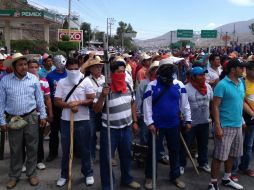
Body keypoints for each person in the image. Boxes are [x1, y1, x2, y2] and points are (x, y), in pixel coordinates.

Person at [0, 53, 47, 189]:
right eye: (20, 65)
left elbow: (39, 99)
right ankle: (14, 176)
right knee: (16, 149)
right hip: (14, 119)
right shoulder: (5, 80)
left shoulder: (33, 79)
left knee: (32, 147)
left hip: (31, 117)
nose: (24, 67)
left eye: (25, 64)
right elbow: (1, 102)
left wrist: (43, 116)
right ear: (14, 67)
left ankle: (31, 174)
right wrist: (2, 121)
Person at [143, 58, 191, 189]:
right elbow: (146, 106)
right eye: (166, 69)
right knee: (153, 152)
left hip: (174, 125)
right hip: (156, 126)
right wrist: (150, 123)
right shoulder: (152, 85)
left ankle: (175, 176)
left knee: (174, 151)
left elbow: (185, 104)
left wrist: (188, 120)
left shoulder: (179, 85)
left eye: (171, 69)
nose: (169, 72)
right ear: (160, 71)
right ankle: (149, 177)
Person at [93, 57, 141, 190]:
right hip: (110, 130)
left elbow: (132, 104)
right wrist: (103, 95)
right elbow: (96, 110)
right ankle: (108, 185)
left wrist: (135, 121)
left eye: (124, 71)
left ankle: (127, 178)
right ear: (112, 73)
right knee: (107, 159)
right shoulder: (104, 88)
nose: (122, 74)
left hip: (126, 128)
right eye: (119, 72)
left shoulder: (128, 85)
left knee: (126, 156)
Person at [208, 59, 254, 190]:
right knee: (219, 156)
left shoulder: (240, 83)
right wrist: (217, 126)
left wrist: (251, 114)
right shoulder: (222, 85)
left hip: (238, 125)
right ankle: (213, 183)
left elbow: (242, 102)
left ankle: (226, 178)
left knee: (233, 154)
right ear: (233, 69)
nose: (244, 70)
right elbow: (215, 106)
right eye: (241, 67)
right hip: (225, 125)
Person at [54, 58, 95, 187]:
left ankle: (88, 173)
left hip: (83, 120)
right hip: (66, 121)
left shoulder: (86, 81)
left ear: (79, 68)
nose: (73, 71)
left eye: (75, 69)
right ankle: (64, 175)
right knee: (66, 150)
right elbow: (57, 101)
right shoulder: (62, 82)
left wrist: (80, 102)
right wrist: (68, 105)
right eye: (70, 69)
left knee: (85, 149)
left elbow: (91, 99)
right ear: (66, 69)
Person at [180, 67, 213, 174]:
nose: (203, 77)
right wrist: (184, 120)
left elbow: (212, 103)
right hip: (190, 124)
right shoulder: (185, 88)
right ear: (193, 77)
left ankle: (203, 163)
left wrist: (211, 117)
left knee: (203, 145)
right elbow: (181, 106)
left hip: (204, 122)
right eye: (200, 75)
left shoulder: (208, 87)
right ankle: (181, 164)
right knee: (186, 145)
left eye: (204, 75)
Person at [27, 59, 53, 170]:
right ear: (27, 68)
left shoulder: (44, 81)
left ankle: (39, 160)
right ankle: (26, 161)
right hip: (27, 114)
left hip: (39, 114)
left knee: (39, 138)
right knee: (26, 139)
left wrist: (50, 113)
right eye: (31, 67)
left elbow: (47, 99)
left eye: (35, 67)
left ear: (39, 68)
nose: (33, 69)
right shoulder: (24, 81)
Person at [46, 55, 67, 162]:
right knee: (54, 131)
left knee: (67, 131)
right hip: (55, 106)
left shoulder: (68, 74)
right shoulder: (50, 76)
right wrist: (49, 111)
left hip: (67, 106)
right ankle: (52, 153)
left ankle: (70, 152)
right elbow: (48, 94)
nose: (61, 64)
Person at [84, 56, 105, 162]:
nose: (99, 68)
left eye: (100, 66)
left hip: (104, 109)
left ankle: (106, 156)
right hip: (91, 109)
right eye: (96, 67)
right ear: (91, 68)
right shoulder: (86, 80)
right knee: (91, 134)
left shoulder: (105, 79)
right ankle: (91, 156)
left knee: (104, 133)